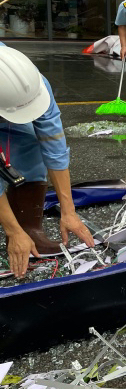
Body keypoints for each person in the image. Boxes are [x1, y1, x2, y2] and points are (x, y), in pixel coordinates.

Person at [0, 44, 95, 278]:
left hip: (7, 100)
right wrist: (11, 230)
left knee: (30, 140)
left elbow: (54, 145)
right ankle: (16, 232)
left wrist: (68, 210)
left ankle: (29, 229)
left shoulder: (32, 82)